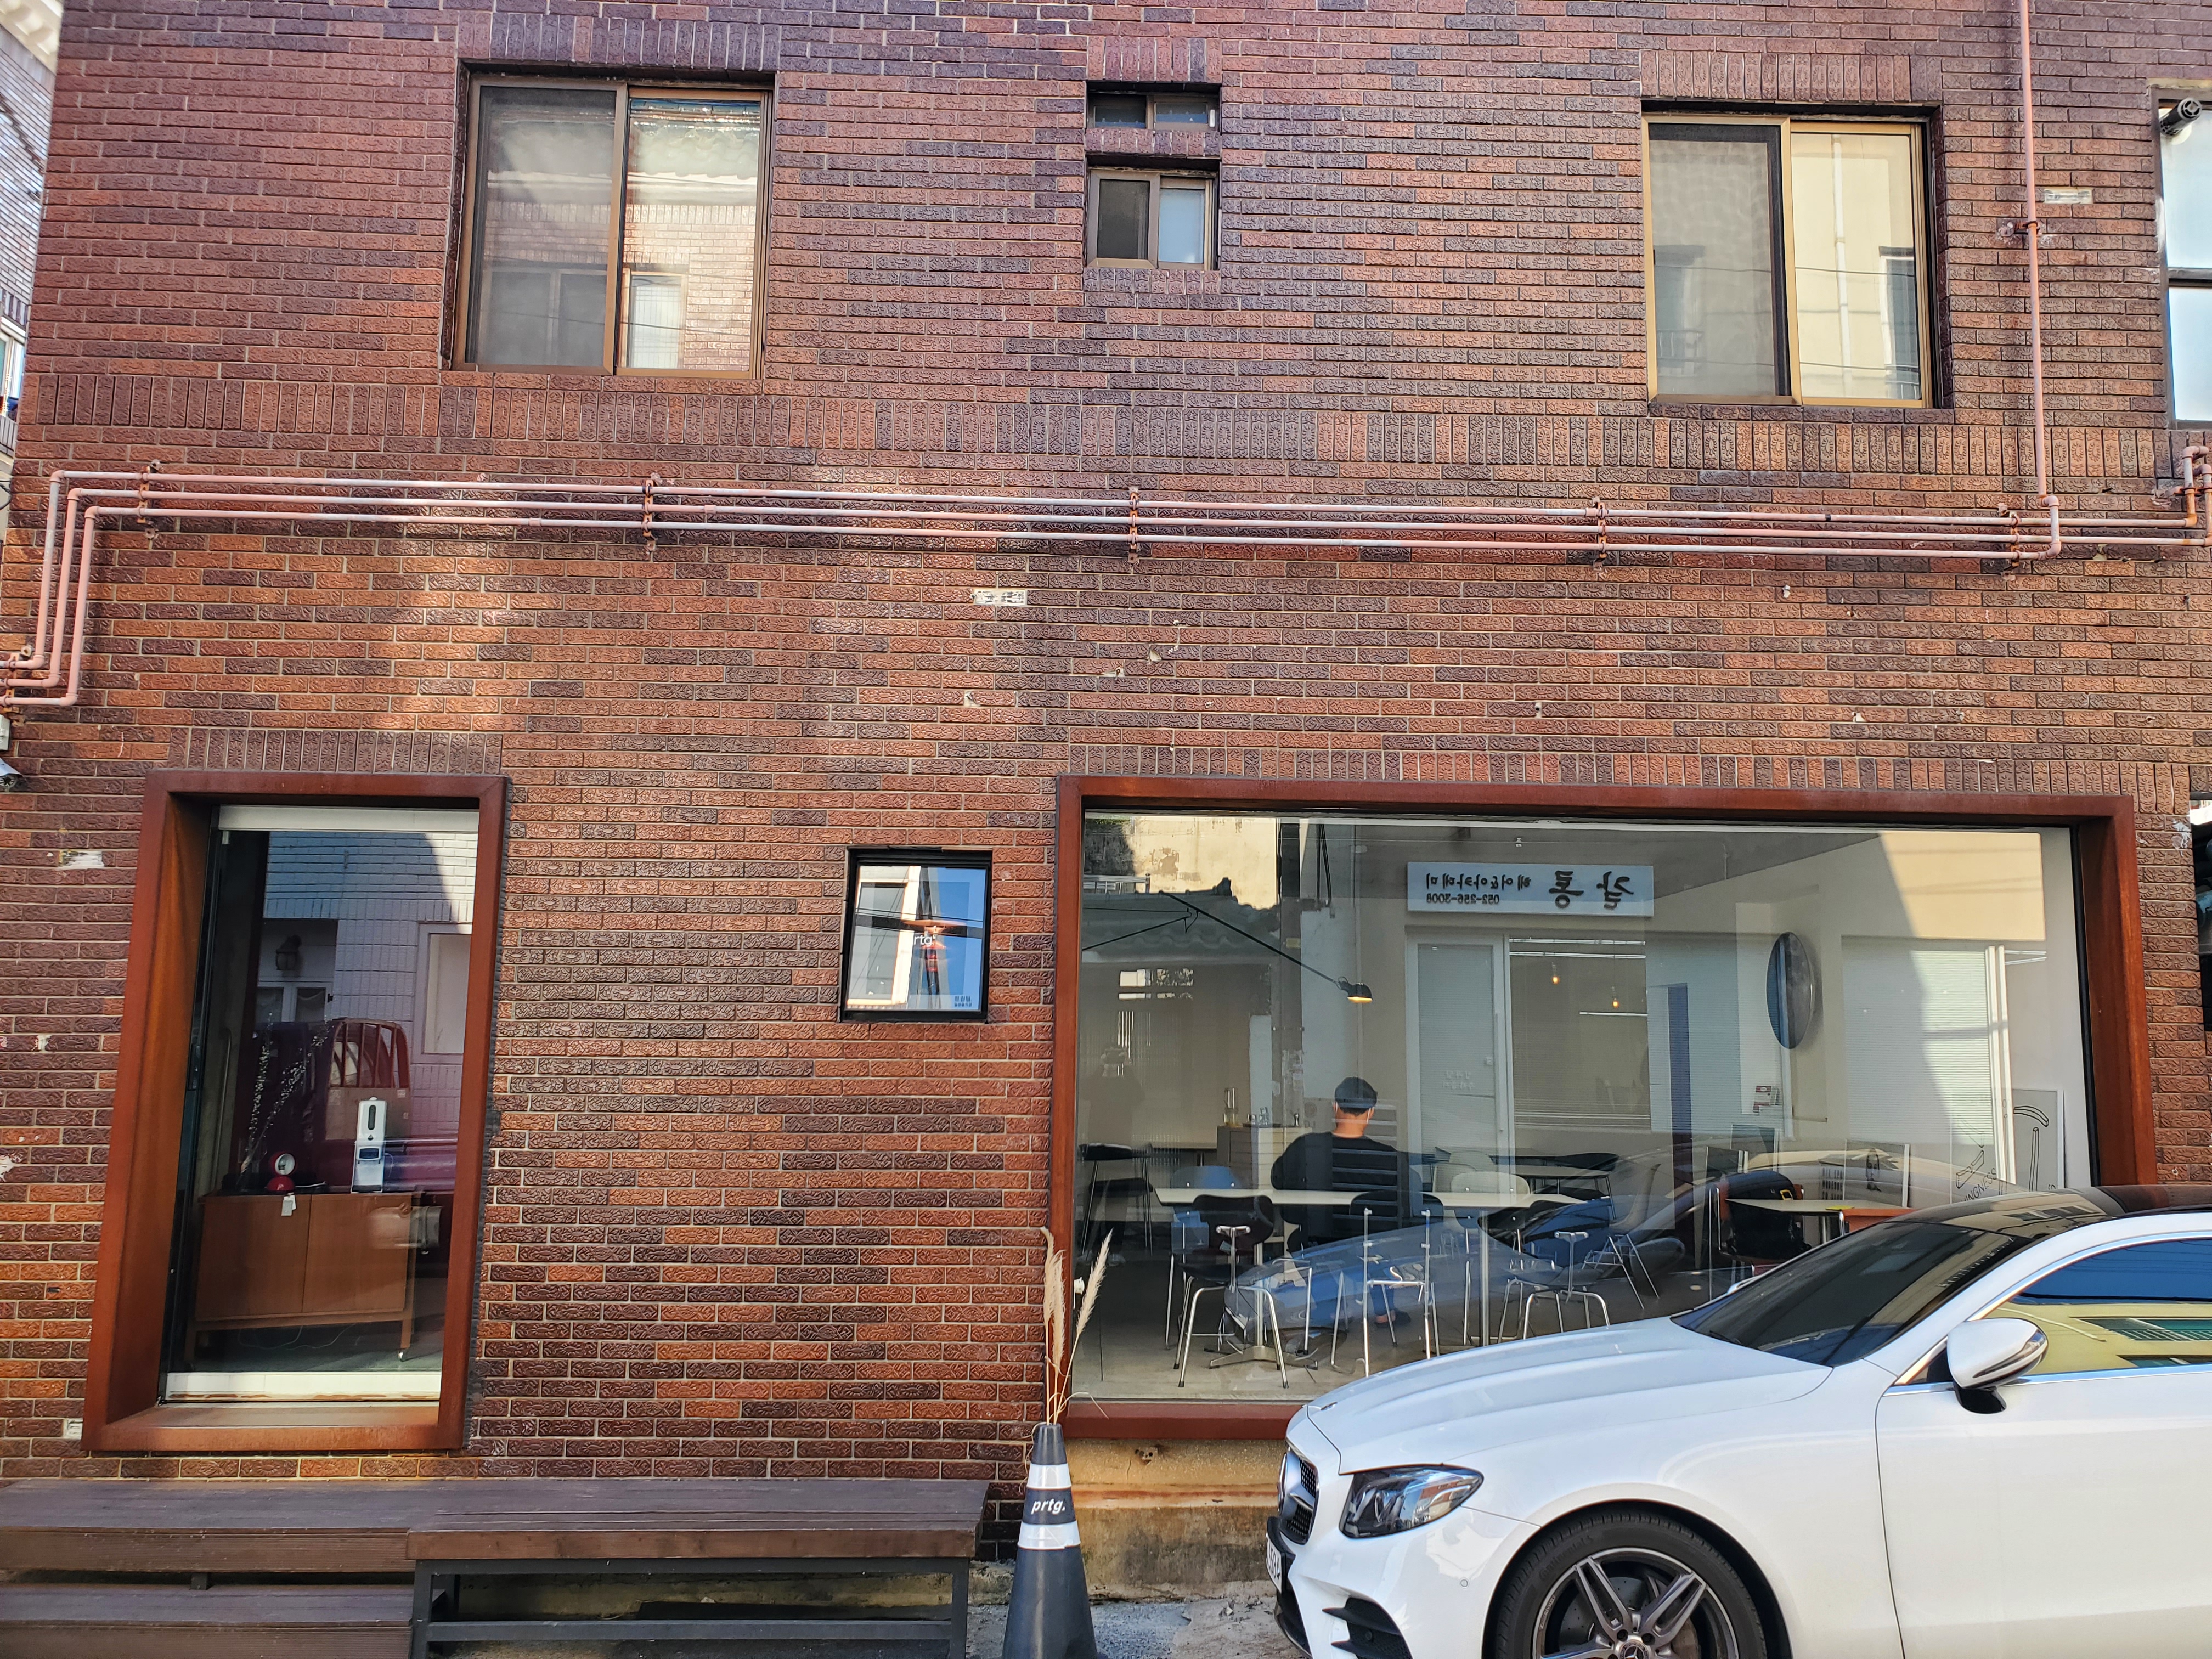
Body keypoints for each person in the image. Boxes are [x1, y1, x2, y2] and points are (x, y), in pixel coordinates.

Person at [1269, 1076, 1409, 1246]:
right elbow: (1404, 1206)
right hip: (1372, 1249)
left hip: (1317, 1247)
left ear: (1335, 1107)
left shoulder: (1306, 1147)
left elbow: (1278, 1181)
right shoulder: (1390, 1158)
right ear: (1371, 1113)